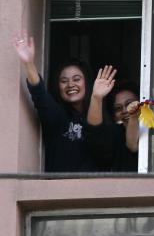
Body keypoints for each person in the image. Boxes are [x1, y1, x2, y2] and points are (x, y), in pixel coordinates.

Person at [13, 33, 98, 172]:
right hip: (59, 190)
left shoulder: (99, 117)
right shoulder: (58, 116)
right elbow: (40, 95)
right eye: (64, 81)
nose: (70, 84)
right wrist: (28, 63)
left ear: (87, 83)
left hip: (94, 192)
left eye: (77, 79)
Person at [86, 66, 141, 172]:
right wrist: (96, 98)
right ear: (114, 115)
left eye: (129, 103)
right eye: (118, 108)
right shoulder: (114, 134)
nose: (125, 110)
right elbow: (95, 133)